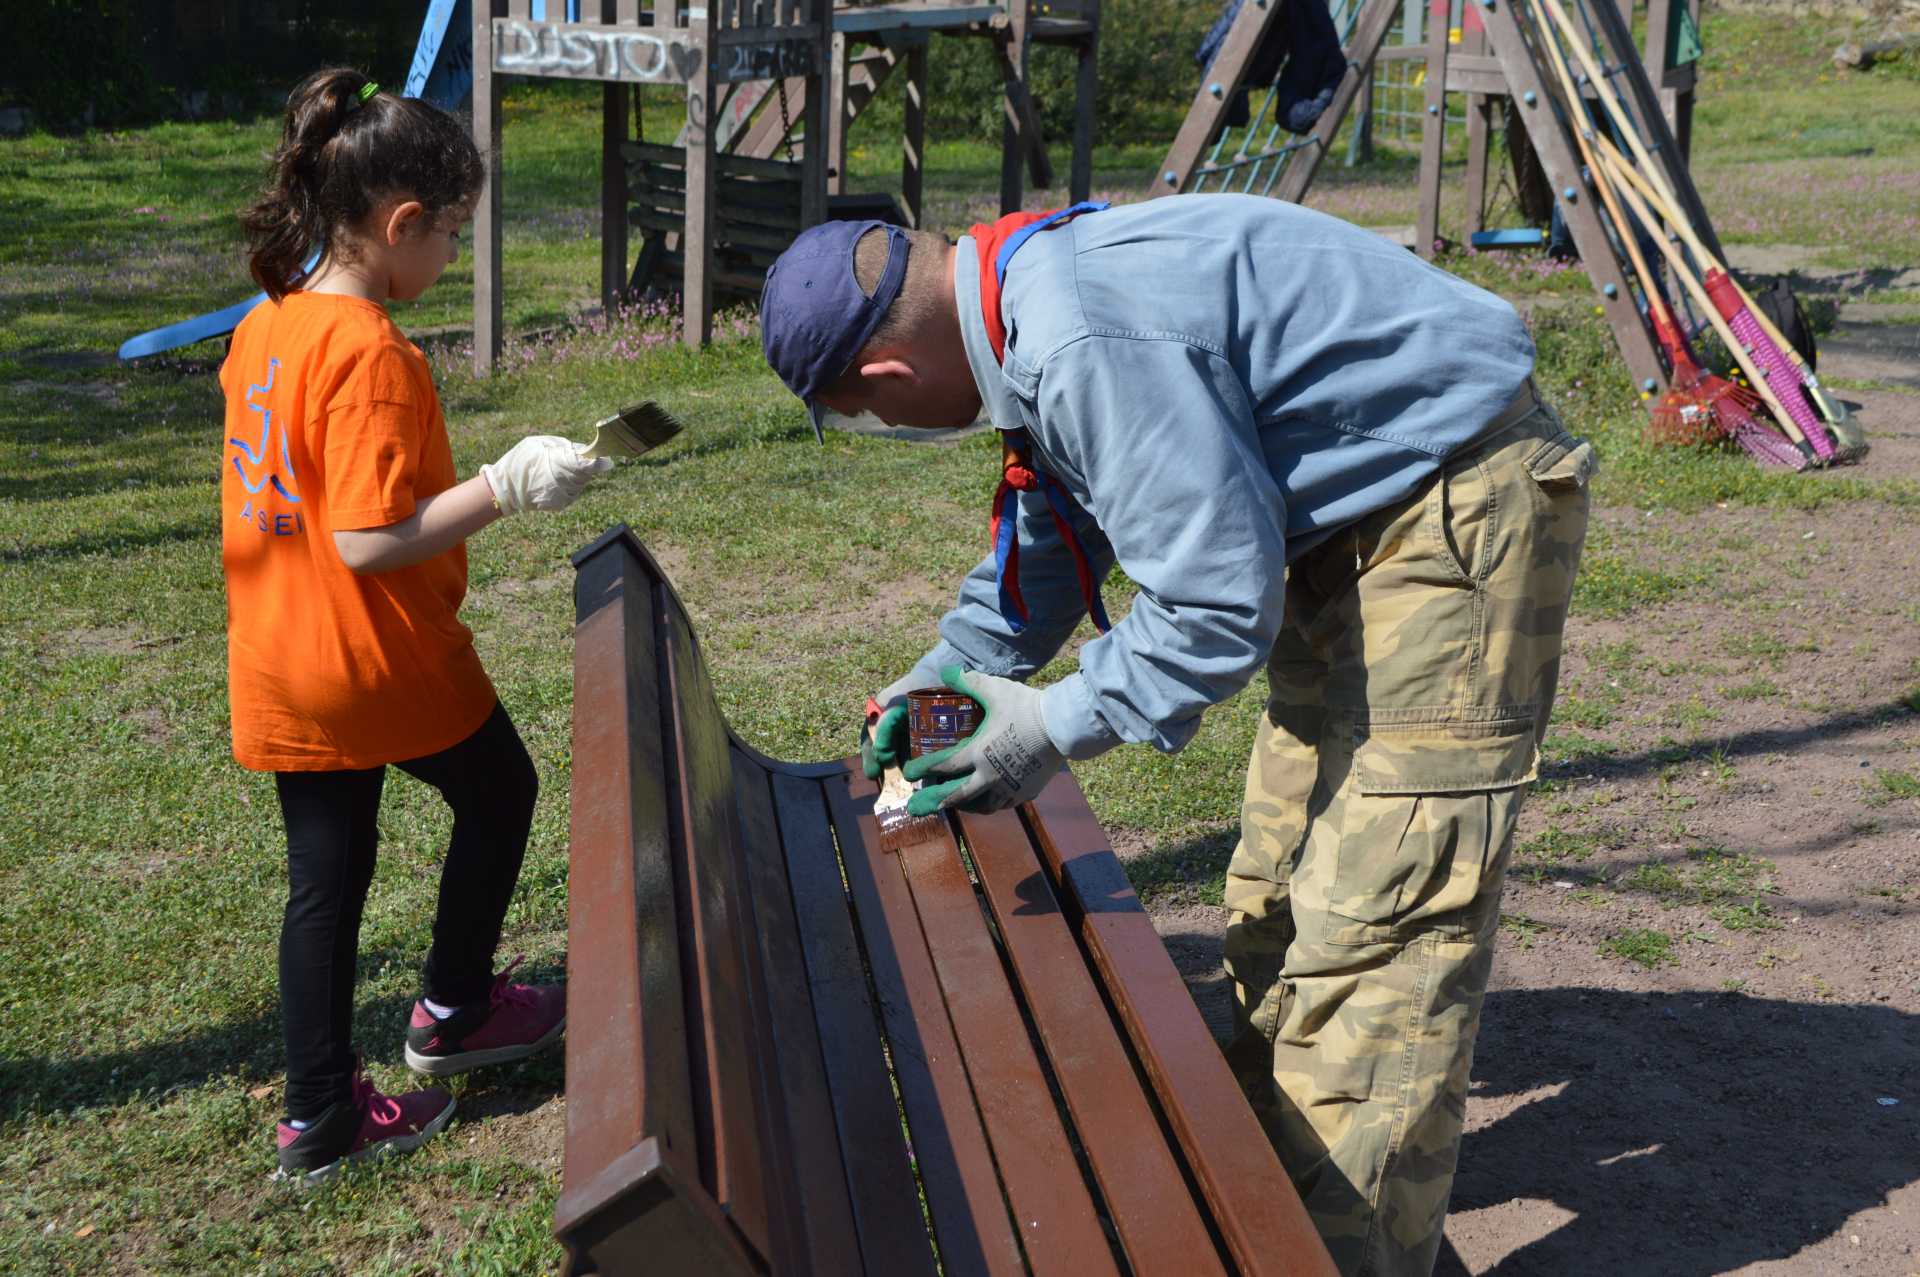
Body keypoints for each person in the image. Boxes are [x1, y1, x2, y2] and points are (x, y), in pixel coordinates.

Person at [759, 195, 1593, 1276]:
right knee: (1280, 886)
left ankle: (1341, 1255)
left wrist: (1047, 724)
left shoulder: (1078, 336)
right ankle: (1254, 1204)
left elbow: (1208, 609)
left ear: (880, 383)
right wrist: (951, 677)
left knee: (1380, 928)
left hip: (1448, 501)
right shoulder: (1015, 298)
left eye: (862, 418)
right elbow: (1058, 523)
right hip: (1348, 520)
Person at [224, 69, 611, 1183]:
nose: (448, 257)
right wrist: (506, 481)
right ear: (400, 225)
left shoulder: (269, 324)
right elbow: (370, 534)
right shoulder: (374, 356)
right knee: (501, 789)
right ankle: (452, 1006)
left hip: (280, 655)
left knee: (325, 881)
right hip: (373, 654)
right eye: (449, 235)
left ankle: (317, 1115)